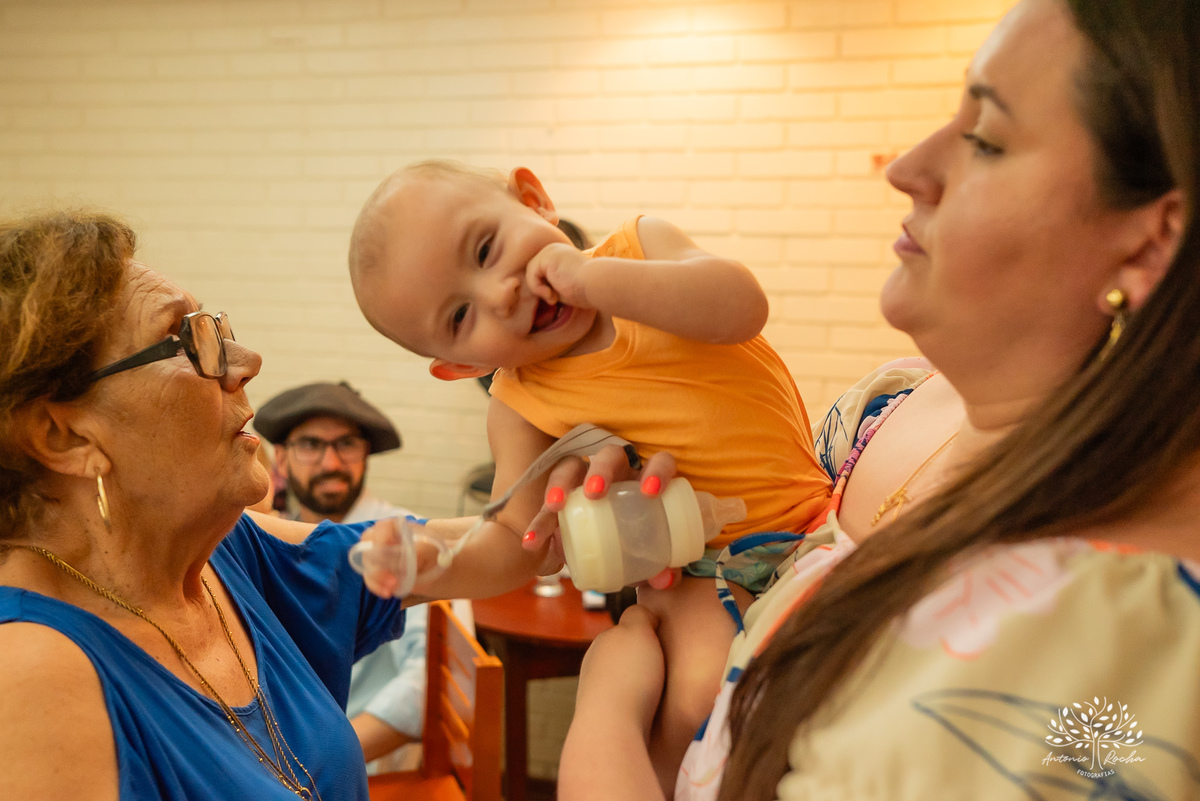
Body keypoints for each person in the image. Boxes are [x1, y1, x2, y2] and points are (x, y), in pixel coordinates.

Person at [554, 0, 1200, 798]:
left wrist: (605, 714)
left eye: (986, 140)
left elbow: (1091, 759)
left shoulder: (1123, 638)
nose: (907, 167)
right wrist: (659, 518)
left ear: (1148, 240)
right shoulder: (877, 411)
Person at [347, 159, 833, 789]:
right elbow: (514, 541)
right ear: (460, 365)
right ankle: (630, 719)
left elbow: (741, 306)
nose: (501, 293)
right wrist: (429, 561)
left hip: (811, 520)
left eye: (488, 248)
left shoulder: (641, 246)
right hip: (699, 563)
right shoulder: (522, 402)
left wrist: (595, 278)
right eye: (462, 317)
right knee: (695, 701)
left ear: (535, 199)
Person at [0, 211, 488, 800]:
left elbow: (502, 545)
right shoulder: (31, 677)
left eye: (217, 328)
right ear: (66, 438)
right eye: (186, 342)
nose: (246, 362)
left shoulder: (226, 551)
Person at [255, 380, 456, 769]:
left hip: (359, 768)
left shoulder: (402, 541)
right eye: (311, 445)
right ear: (280, 460)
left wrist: (317, 764)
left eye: (346, 444)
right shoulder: (277, 546)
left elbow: (429, 680)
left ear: (365, 454)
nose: (331, 464)